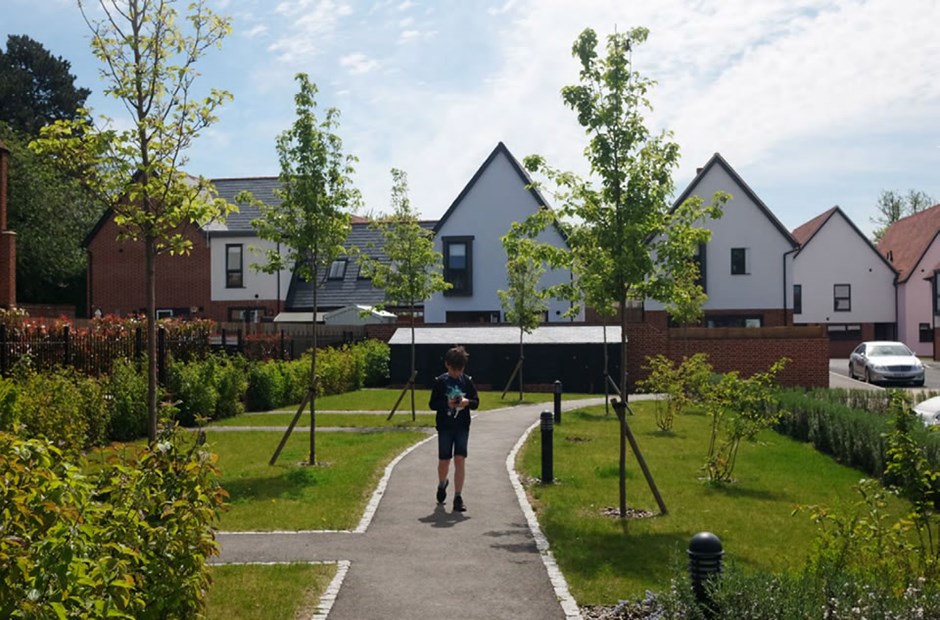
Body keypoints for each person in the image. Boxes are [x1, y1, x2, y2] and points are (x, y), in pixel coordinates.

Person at [428, 345, 479, 512]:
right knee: (444, 461)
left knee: (460, 459)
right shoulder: (441, 382)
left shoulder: (467, 381)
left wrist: (467, 403)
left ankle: (458, 496)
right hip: (445, 427)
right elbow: (432, 404)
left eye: (460, 370)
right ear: (447, 365)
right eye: (454, 369)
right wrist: (446, 404)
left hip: (462, 426)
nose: (457, 373)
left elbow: (476, 402)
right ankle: (442, 484)